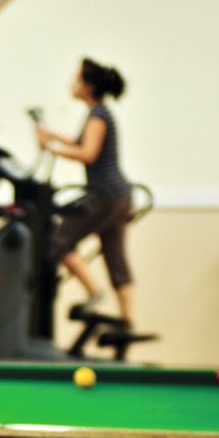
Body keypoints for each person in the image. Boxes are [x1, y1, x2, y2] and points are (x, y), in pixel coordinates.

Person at [34, 58, 137, 328]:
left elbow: (88, 153)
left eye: (76, 79)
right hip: (120, 196)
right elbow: (80, 141)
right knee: (115, 257)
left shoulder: (98, 115)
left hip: (106, 194)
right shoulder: (99, 113)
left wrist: (51, 148)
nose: (72, 84)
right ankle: (128, 320)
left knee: (58, 241)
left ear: (89, 86)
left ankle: (94, 291)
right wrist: (51, 135)